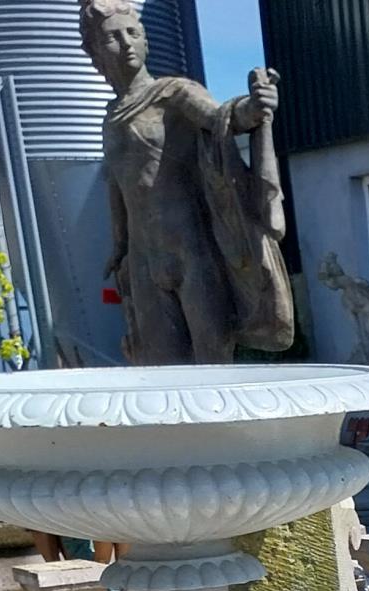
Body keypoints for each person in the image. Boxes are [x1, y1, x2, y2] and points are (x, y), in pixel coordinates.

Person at [81, 0, 293, 363]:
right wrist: (119, 247)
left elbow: (222, 118)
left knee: (213, 365)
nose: (127, 43)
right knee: (162, 370)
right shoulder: (110, 118)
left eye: (134, 33)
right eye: (113, 37)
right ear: (95, 51)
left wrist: (254, 106)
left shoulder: (173, 93)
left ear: (146, 41)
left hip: (193, 252)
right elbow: (117, 185)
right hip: (145, 261)